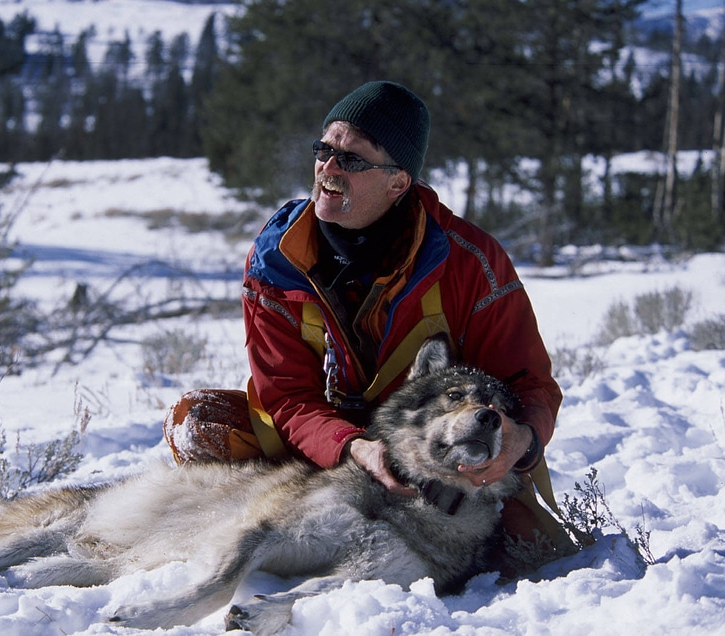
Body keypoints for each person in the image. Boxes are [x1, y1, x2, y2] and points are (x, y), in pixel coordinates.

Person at [163, 80, 573, 571]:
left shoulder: (471, 262)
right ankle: (268, 531)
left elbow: (529, 383)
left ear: (399, 183)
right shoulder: (276, 260)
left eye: (352, 160)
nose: (327, 169)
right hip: (327, 442)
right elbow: (288, 395)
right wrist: (352, 447)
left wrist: (521, 440)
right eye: (324, 150)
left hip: (438, 451)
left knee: (532, 552)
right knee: (200, 425)